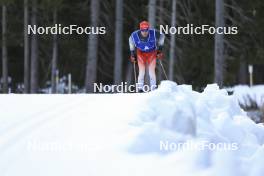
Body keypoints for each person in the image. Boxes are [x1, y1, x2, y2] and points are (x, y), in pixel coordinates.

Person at [129, 21, 165, 92]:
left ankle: (153, 89)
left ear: (149, 29)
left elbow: (162, 36)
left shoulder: (154, 33)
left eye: (146, 30)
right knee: (142, 71)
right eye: (142, 30)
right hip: (141, 54)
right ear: (140, 29)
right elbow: (130, 41)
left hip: (152, 53)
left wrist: (160, 49)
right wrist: (132, 53)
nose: (145, 32)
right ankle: (140, 89)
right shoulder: (135, 35)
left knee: (151, 71)